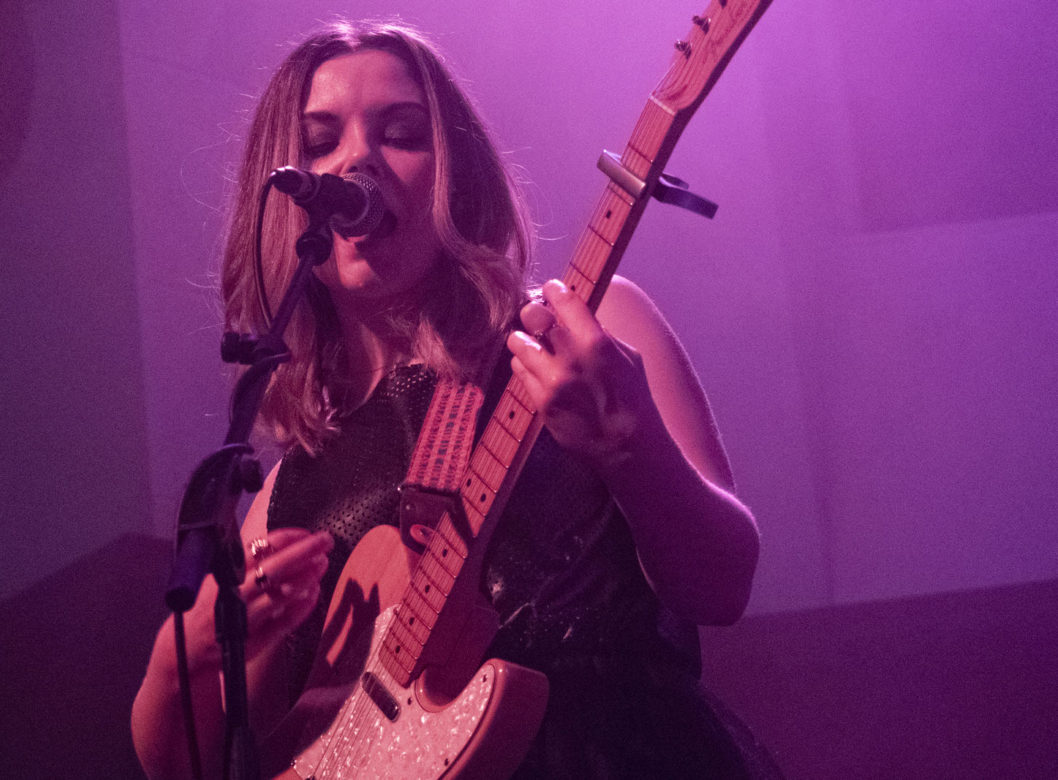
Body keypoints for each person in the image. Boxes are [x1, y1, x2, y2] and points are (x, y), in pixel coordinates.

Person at [132, 19, 778, 779]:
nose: (358, 159)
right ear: (284, 199)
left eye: (402, 132)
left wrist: (628, 449)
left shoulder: (590, 326)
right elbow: (188, 767)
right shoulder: (286, 490)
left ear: (455, 174)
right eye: (319, 142)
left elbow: (723, 583)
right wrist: (181, 669)